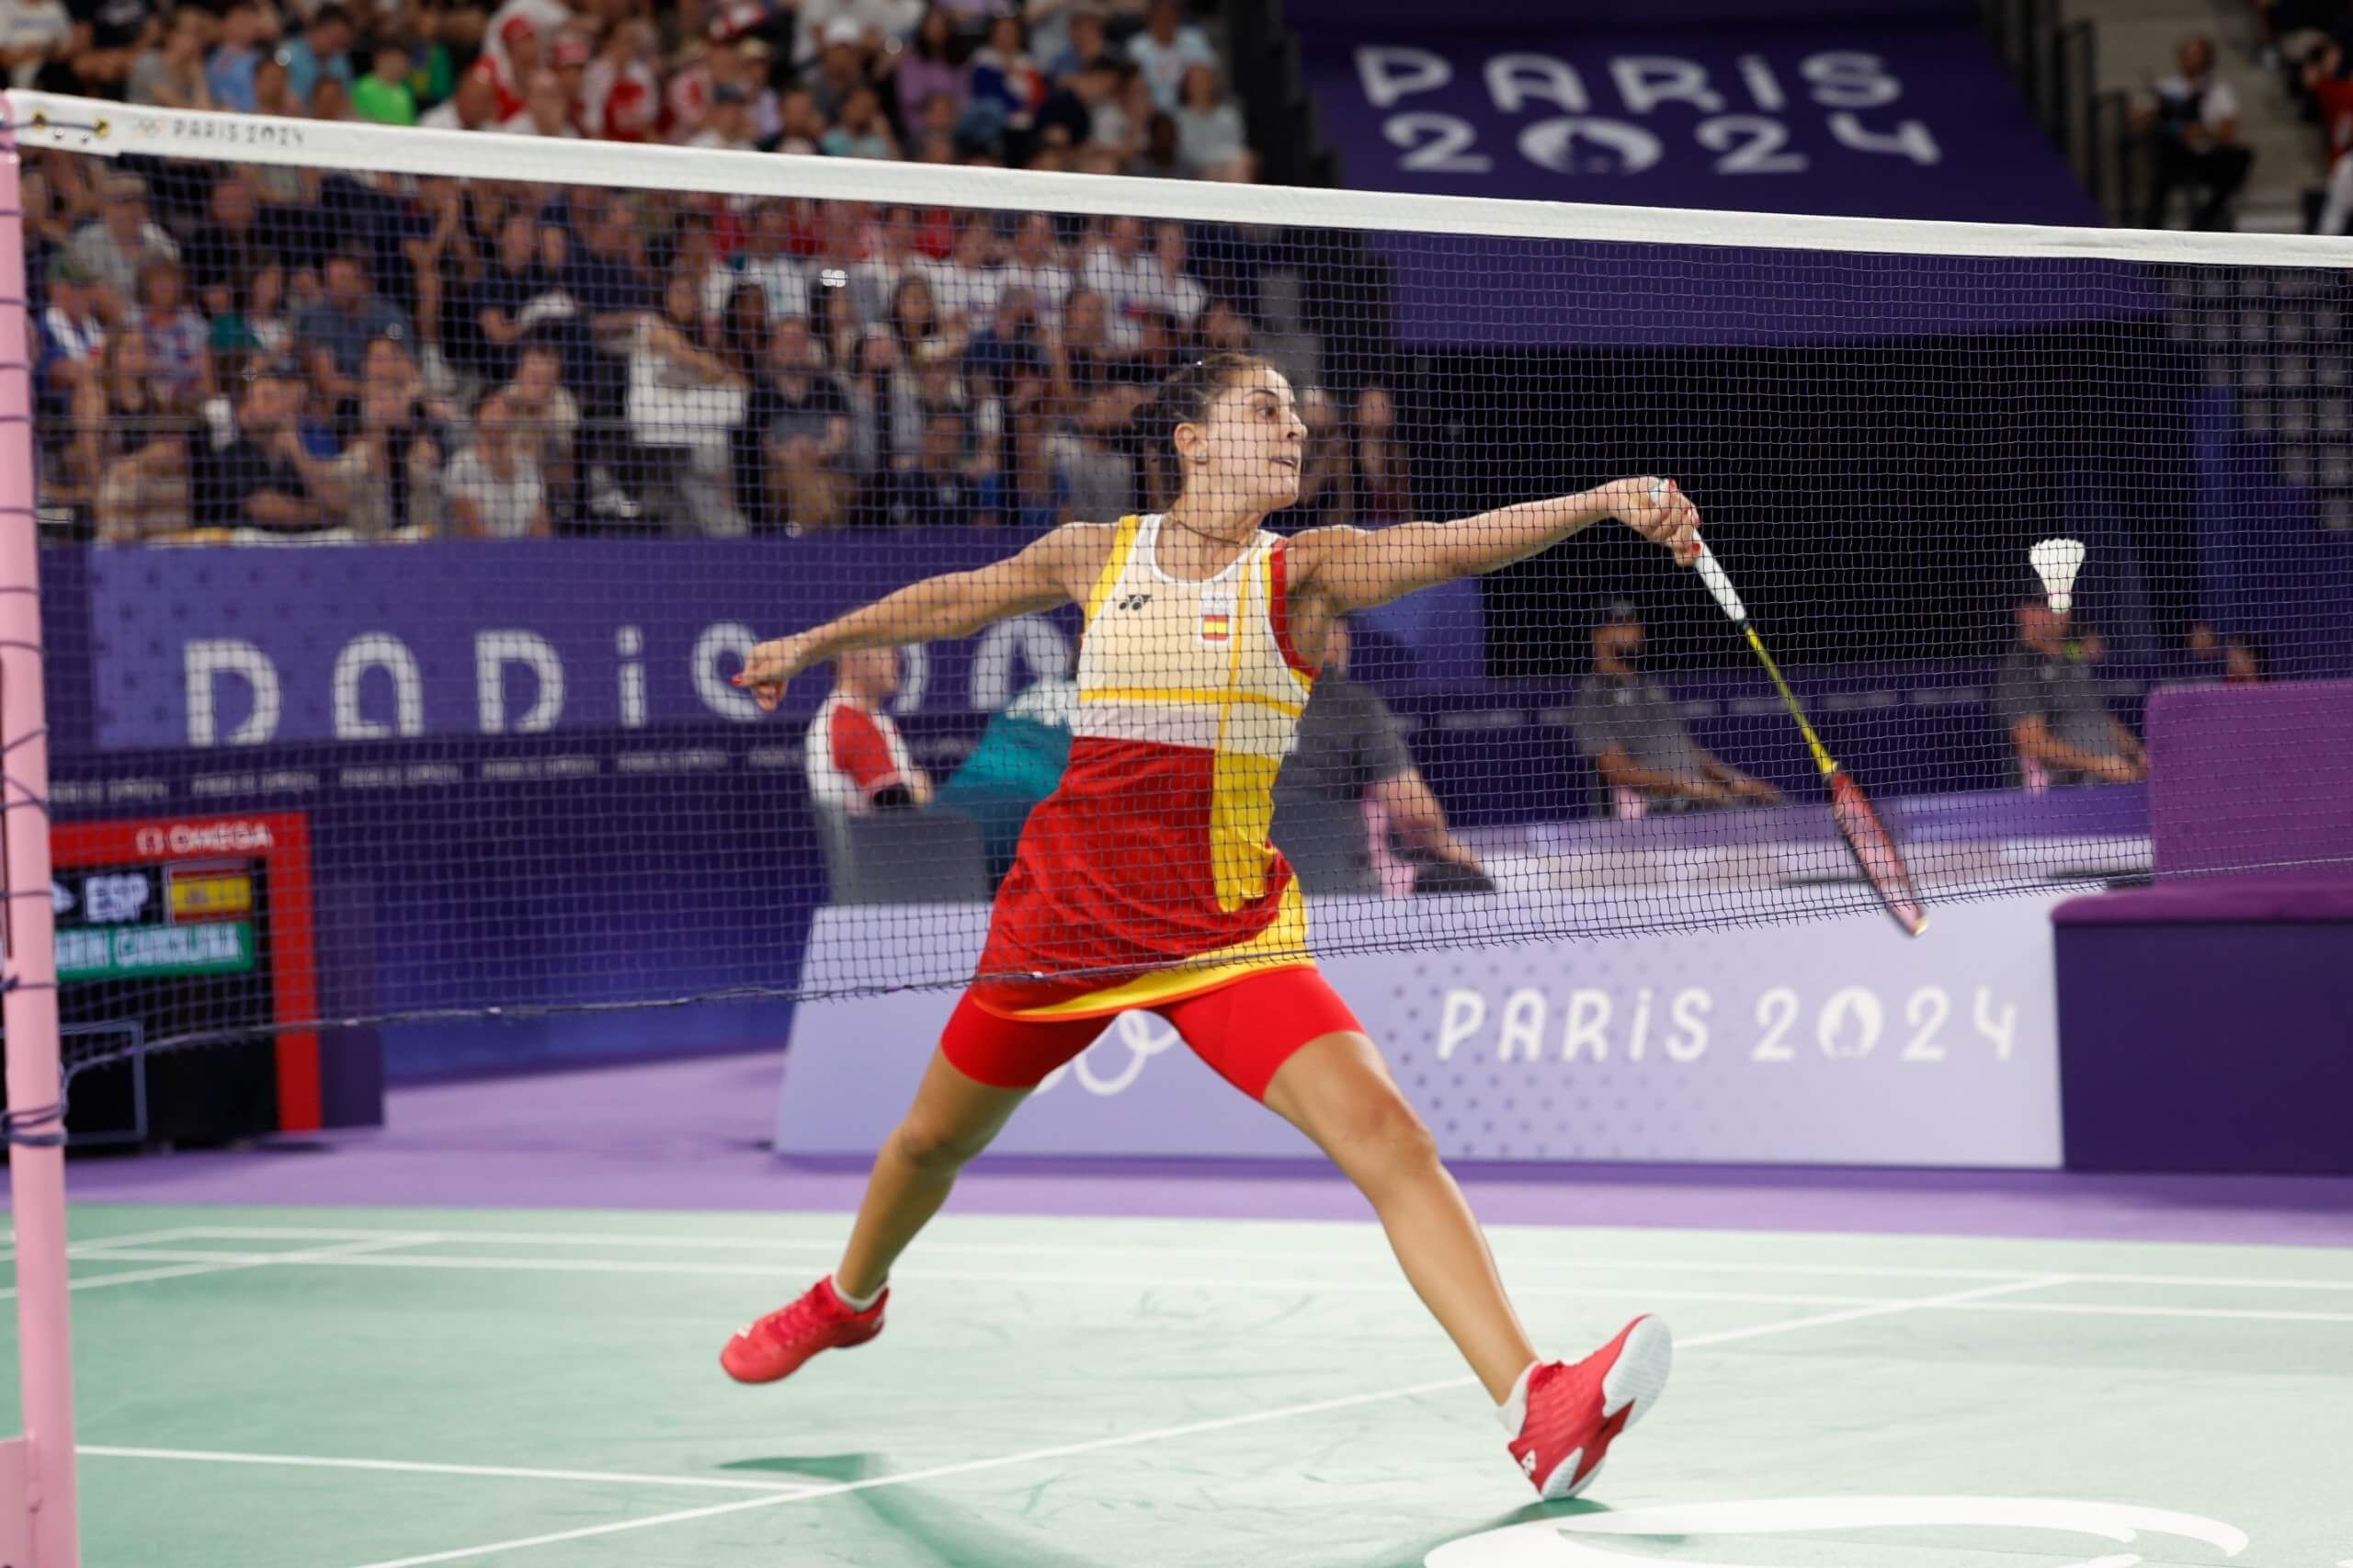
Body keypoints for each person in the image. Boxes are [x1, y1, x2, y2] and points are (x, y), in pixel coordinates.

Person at [722, 352, 1695, 1501]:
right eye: (1261, 409)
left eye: (1296, 413)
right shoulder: (1099, 553)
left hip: (1221, 937)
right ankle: (849, 1298)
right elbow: (951, 598)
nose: (1292, 427)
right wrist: (808, 646)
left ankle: (1535, 1406)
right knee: (929, 1143)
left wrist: (1594, 503)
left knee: (1389, 1136)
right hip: (1065, 924)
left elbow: (1450, 540)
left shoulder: (1306, 572)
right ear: (1189, 438)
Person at [1273, 618, 1492, 895]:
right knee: (1469, 883)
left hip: (1239, 898)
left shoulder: (1228, 703)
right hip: (1341, 895)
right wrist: (1458, 856)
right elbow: (1417, 818)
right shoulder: (1351, 705)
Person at [1572, 600, 1784, 816]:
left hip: (1699, 800)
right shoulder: (1593, 695)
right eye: (1621, 623)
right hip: (1657, 812)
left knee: (1776, 808)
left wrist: (1738, 781)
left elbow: (1685, 748)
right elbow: (1616, 769)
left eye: (1634, 622)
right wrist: (1684, 785)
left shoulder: (1650, 687)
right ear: (1598, 635)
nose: (1634, 630)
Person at [1993, 596, 2147, 788]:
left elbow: (2099, 719)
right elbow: (2032, 742)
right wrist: (2100, 765)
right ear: (2025, 612)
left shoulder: (2073, 659)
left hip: (2100, 787)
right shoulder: (2018, 669)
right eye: (2050, 607)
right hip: (2050, 795)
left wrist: (2138, 753)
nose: (2062, 614)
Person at [2138, 36, 2255, 231]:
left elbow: (2228, 132)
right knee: (2163, 147)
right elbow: (2138, 121)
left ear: (2207, 59)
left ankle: (2205, 218)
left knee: (2241, 157)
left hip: (2207, 157)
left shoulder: (2218, 91)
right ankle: (2151, 227)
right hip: (2176, 157)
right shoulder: (2167, 88)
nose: (2190, 60)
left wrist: (2201, 132)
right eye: (2187, 55)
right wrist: (2158, 113)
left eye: (2196, 55)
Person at [805, 646, 932, 818]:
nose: (897, 658)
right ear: (850, 659)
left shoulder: (875, 717)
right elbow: (895, 804)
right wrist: (919, 793)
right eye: (885, 648)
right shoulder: (847, 722)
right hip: (874, 840)